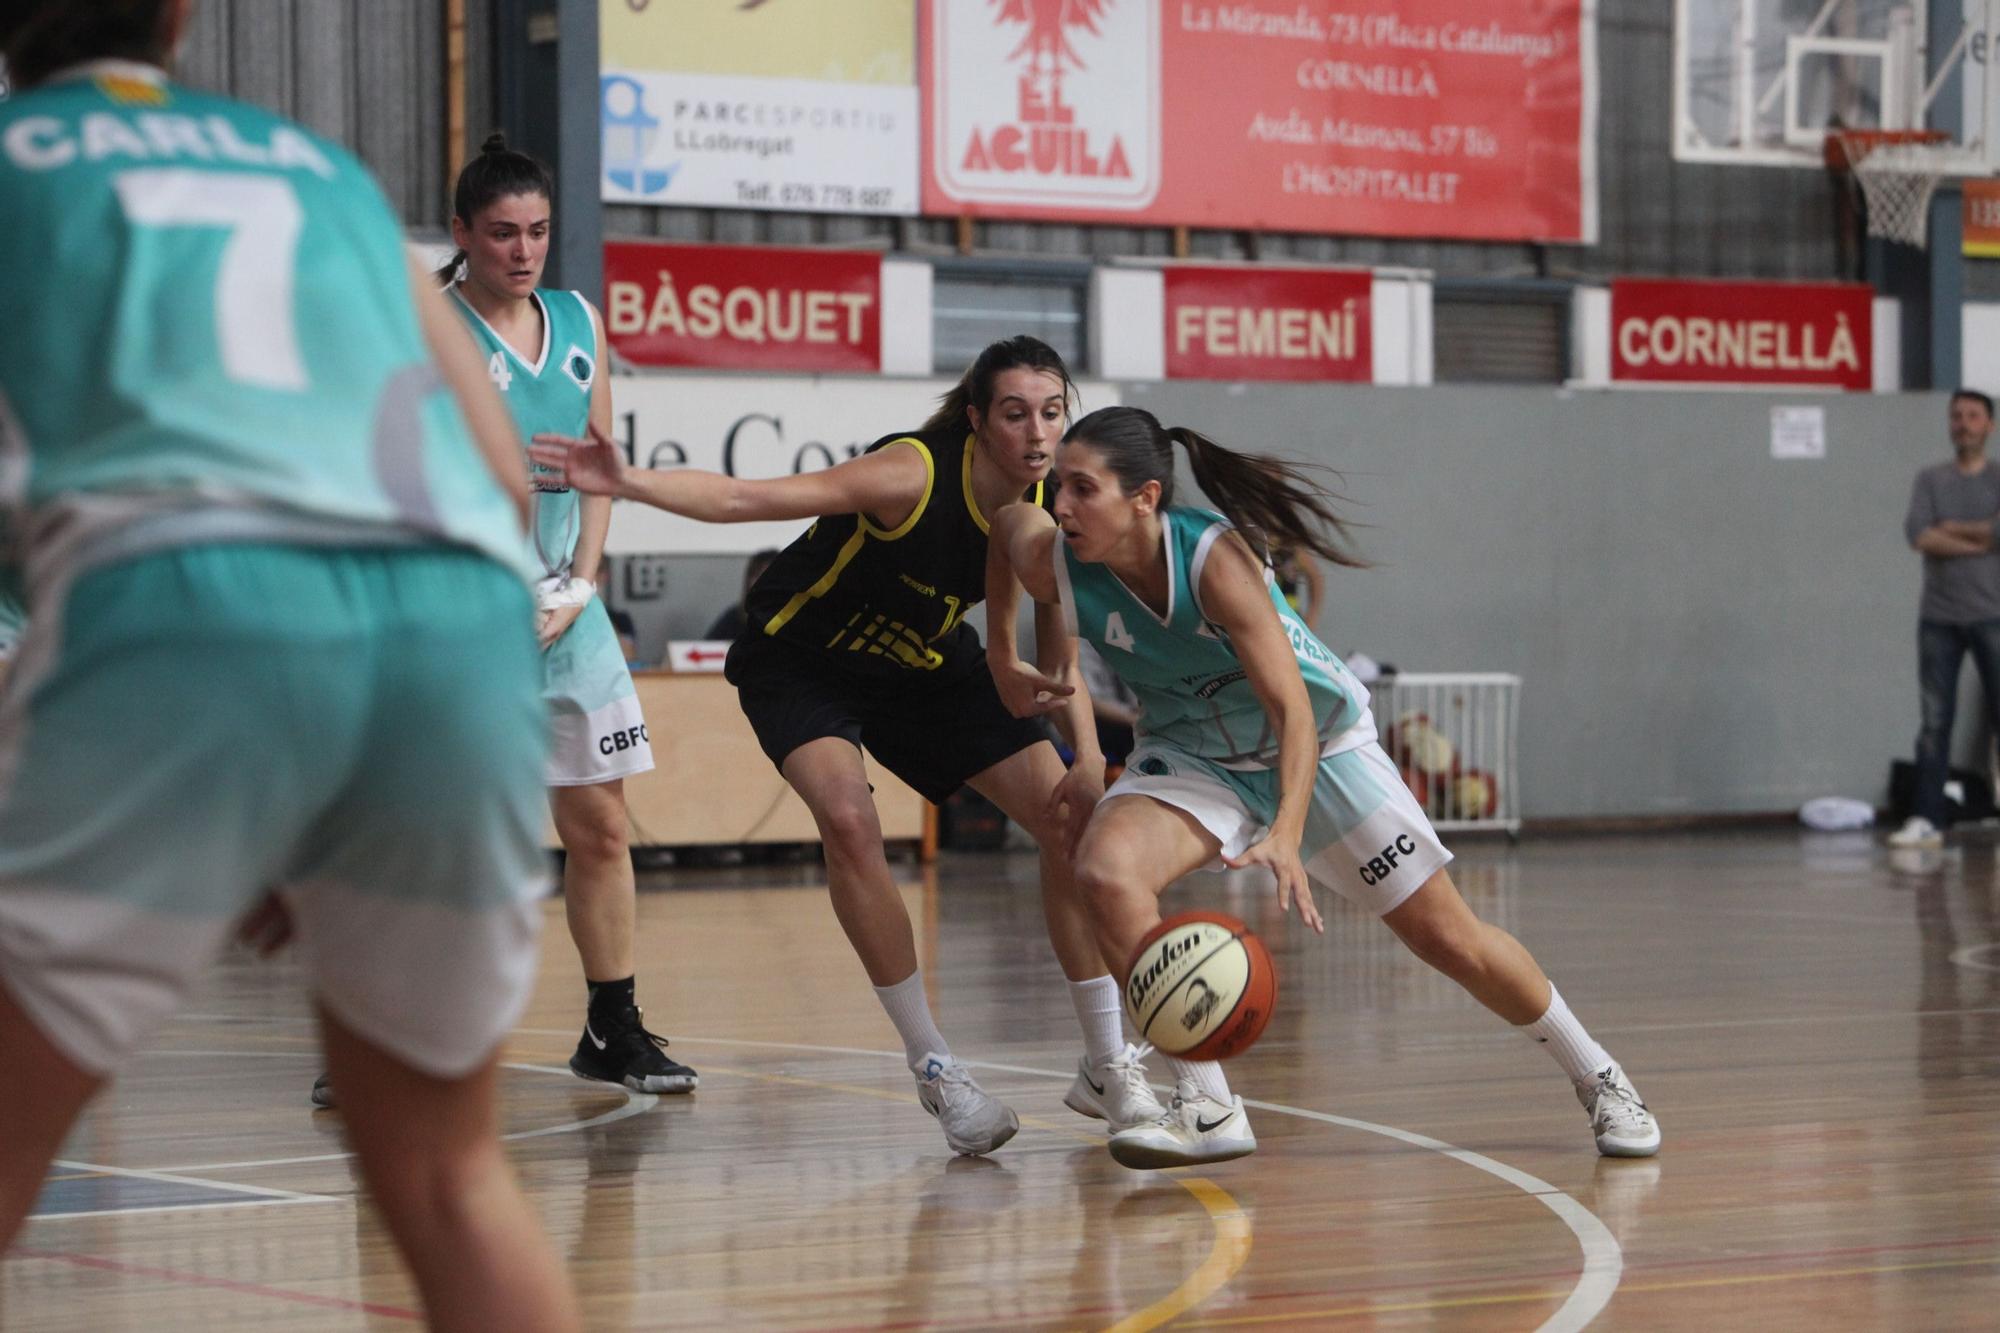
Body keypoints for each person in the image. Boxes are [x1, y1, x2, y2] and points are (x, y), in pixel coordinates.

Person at [0, 4, 581, 1328]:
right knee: (445, 1175)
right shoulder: (320, 171)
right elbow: (499, 470)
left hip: (184, 596)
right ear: (183, 17)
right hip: (458, 625)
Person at [529, 337, 1168, 1155]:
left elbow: (1056, 648)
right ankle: (936, 1065)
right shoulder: (910, 474)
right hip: (805, 660)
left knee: (1067, 819)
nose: (1037, 433)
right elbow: (743, 499)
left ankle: (1107, 1061)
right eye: (1014, 414)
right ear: (976, 419)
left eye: (1051, 412)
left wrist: (1084, 757)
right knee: (850, 820)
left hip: (921, 660)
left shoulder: (1048, 502)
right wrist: (626, 480)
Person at [986, 405, 1662, 1168]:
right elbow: (1008, 525)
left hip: (1320, 745)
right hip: (1192, 754)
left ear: (1144, 497)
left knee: (1450, 939)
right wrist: (1005, 653)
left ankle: (1601, 1077)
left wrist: (1285, 829)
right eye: (1060, 488)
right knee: (1105, 870)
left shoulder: (1212, 560)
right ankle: (1207, 1104)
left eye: (1082, 489)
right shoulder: (1060, 554)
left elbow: (1295, 711)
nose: (1062, 505)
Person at [430, 135, 695, 1099]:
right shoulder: (433, 332)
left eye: (538, 230)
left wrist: (582, 582)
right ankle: (388, 1034)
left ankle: (611, 1026)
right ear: (463, 234)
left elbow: (599, 469)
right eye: (502, 232)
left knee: (602, 828)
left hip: (560, 610)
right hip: (457, 612)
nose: (524, 249)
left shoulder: (579, 320)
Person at [1892, 389, 2000, 850]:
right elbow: (1919, 534)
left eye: (1973, 415)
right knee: (1934, 722)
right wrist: (1982, 539)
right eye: (1956, 416)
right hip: (1938, 617)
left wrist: (1951, 526)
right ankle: (1927, 819)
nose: (1963, 423)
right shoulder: (1930, 479)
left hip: (1993, 612)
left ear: (1989, 425)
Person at [703, 547, 780, 641]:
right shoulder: (734, 617)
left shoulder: (796, 617)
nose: (761, 581)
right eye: (756, 575)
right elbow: (708, 647)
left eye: (767, 575)